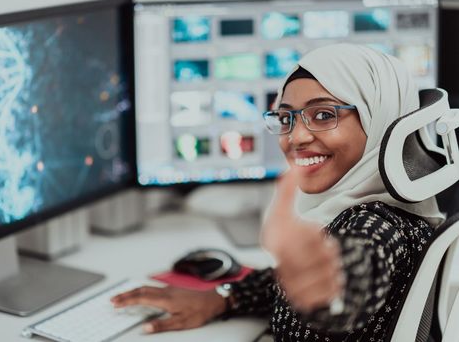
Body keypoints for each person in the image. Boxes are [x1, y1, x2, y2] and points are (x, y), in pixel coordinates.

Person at [111, 43, 445, 341]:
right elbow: (288, 283)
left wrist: (326, 287)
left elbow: (353, 279)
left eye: (324, 114)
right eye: (285, 118)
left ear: (381, 120)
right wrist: (224, 297)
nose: (295, 137)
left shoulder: (378, 226)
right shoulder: (371, 211)